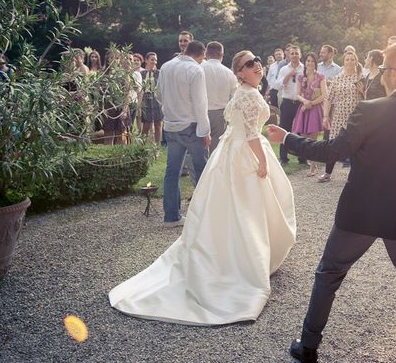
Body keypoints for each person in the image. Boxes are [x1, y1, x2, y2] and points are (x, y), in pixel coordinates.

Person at [267, 41, 396, 363]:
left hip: (360, 212)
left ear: (395, 74)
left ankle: (308, 347)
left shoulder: (371, 110)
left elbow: (332, 151)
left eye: (383, 70)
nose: (380, 76)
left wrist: (288, 139)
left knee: (329, 274)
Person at [109, 50, 296, 325]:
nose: (256, 66)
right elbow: (253, 133)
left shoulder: (243, 90)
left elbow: (239, 126)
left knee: (234, 209)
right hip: (245, 154)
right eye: (249, 64)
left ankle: (239, 253)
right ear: (240, 72)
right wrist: (261, 162)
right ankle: (243, 261)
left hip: (231, 152)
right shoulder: (249, 94)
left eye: (257, 61)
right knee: (249, 209)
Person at [158, 40, 211, 227]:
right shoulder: (196, 70)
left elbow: (159, 94)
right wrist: (205, 130)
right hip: (191, 126)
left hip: (171, 125)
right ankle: (207, 214)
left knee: (172, 172)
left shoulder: (165, 66)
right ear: (201, 54)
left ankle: (171, 216)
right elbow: (200, 103)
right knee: (202, 170)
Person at [318, 48, 363, 182]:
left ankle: (356, 175)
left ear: (356, 62)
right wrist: (326, 116)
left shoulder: (360, 78)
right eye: (347, 59)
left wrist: (363, 92)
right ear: (343, 62)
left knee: (357, 146)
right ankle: (327, 173)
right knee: (334, 145)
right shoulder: (337, 78)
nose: (349, 62)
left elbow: (368, 100)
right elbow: (328, 99)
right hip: (338, 117)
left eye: (352, 59)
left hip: (356, 118)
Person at [292, 52, 328, 177]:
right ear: (305, 62)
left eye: (312, 61)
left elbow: (324, 95)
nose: (310, 63)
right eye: (308, 60)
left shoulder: (321, 77)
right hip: (303, 108)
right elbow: (297, 94)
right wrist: (305, 102)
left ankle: (312, 166)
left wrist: (311, 103)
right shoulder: (301, 77)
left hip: (315, 109)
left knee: (313, 139)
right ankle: (312, 160)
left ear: (315, 63)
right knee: (304, 139)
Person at [202, 41, 238, 154]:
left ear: (206, 53)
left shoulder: (198, 69)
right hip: (220, 113)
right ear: (221, 55)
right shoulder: (229, 73)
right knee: (217, 149)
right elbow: (234, 97)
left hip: (201, 112)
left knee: (200, 147)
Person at [277, 45, 306, 165]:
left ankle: (302, 158)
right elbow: (277, 85)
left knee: (301, 131)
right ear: (288, 55)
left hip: (300, 103)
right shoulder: (284, 69)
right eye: (292, 53)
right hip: (287, 102)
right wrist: (289, 75)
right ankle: (283, 158)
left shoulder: (304, 68)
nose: (294, 55)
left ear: (300, 55)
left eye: (296, 53)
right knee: (284, 129)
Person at [140, 52, 163, 144]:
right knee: (146, 124)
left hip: (157, 99)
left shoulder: (159, 73)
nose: (154, 62)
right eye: (152, 59)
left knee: (158, 123)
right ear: (146, 60)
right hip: (145, 99)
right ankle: (142, 145)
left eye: (155, 60)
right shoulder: (141, 74)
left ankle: (157, 146)